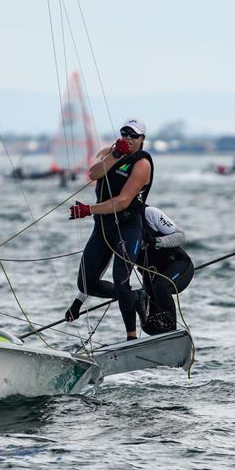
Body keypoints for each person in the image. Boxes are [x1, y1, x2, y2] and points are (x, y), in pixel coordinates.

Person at [65, 118, 153, 341]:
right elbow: (94, 174)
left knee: (121, 277)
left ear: (142, 139)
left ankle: (131, 337)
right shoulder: (109, 153)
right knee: (85, 281)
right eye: (125, 133)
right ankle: (136, 297)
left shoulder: (142, 164)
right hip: (103, 225)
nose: (128, 139)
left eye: (134, 135)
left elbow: (123, 201)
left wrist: (88, 209)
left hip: (128, 225)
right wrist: (115, 155)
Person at [136, 205, 194, 335]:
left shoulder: (150, 213)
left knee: (161, 285)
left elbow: (181, 236)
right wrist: (79, 301)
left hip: (180, 265)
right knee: (152, 326)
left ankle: (171, 331)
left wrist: (156, 242)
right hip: (152, 277)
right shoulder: (115, 230)